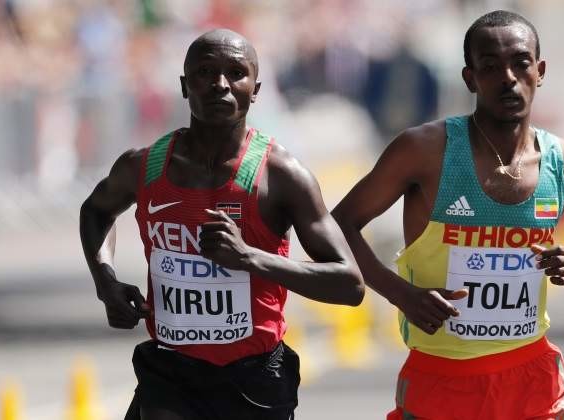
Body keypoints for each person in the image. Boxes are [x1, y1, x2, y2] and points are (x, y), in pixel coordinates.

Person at [332, 10, 564, 420]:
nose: (508, 78)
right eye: (490, 66)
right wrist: (401, 294)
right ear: (470, 78)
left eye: (521, 63)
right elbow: (337, 226)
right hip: (441, 379)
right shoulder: (424, 150)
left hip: (532, 380)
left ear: (540, 71)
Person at [79, 29, 364, 420]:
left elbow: (349, 284)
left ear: (255, 89)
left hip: (254, 377)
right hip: (170, 370)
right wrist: (105, 281)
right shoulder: (144, 166)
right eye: (205, 72)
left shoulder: (281, 175)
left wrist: (250, 258)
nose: (220, 84)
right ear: (185, 86)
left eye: (236, 73)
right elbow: (96, 212)